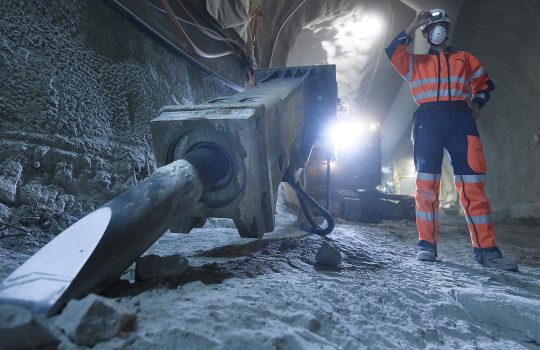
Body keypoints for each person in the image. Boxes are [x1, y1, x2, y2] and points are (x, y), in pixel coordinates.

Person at [385, 8, 517, 271]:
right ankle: (427, 246)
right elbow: (393, 51)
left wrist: (477, 104)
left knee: (472, 187)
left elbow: (484, 84)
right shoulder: (415, 63)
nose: (438, 31)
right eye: (433, 27)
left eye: (442, 26)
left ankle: (487, 251)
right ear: (426, 33)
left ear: (447, 31)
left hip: (460, 120)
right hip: (427, 121)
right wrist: (414, 23)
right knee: (426, 188)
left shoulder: (464, 59)